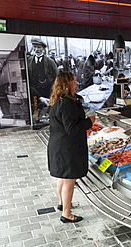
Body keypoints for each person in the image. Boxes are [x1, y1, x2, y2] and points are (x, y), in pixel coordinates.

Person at [47, 72, 95, 223]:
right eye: (73, 82)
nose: (76, 84)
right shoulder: (67, 103)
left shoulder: (56, 100)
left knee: (62, 177)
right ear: (67, 84)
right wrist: (90, 122)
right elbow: (72, 129)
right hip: (67, 148)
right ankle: (67, 214)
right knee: (69, 181)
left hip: (58, 144)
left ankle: (62, 203)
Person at [27, 38, 58, 123]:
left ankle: (50, 123)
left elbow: (57, 78)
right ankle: (37, 122)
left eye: (39, 47)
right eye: (35, 47)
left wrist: (54, 91)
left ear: (43, 49)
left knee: (49, 109)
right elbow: (27, 79)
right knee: (36, 109)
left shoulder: (50, 61)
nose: (37, 50)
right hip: (35, 91)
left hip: (48, 90)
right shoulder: (29, 61)